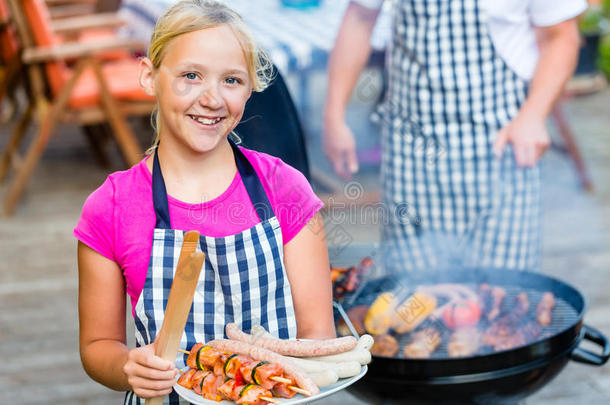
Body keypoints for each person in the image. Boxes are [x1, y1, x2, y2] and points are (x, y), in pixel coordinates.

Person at [74, 1, 335, 403]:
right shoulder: (110, 207)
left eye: (231, 80)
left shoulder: (285, 189)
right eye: (190, 76)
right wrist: (129, 368)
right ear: (149, 76)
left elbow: (318, 335)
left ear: (251, 89)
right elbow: (97, 346)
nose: (212, 98)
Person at [324, 0, 585, 271]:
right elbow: (359, 19)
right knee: (411, 293)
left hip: (501, 147)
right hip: (410, 152)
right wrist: (333, 115)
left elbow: (562, 37)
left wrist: (534, 115)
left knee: (505, 288)